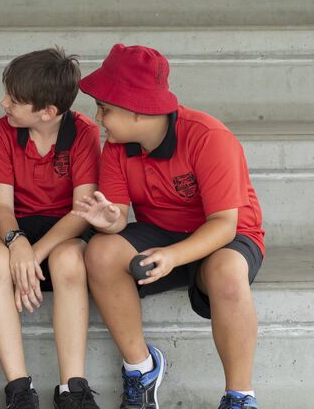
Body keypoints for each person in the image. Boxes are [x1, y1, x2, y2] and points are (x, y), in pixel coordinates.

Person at [72, 44, 265, 409]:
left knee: (226, 272)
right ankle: (141, 368)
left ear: (138, 112)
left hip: (225, 235)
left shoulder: (208, 136)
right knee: (99, 250)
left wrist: (174, 256)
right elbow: (118, 215)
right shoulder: (118, 145)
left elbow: (224, 225)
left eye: (106, 109)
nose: (98, 118)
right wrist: (109, 220)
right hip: (162, 233)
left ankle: (240, 396)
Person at [0, 48, 102, 409]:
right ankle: (19, 388)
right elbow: (1, 207)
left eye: (14, 100)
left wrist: (35, 254)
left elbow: (81, 212)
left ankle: (72, 388)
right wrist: (17, 244)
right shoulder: (3, 130)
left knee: (68, 263)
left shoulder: (83, 132)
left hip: (67, 229)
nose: (4, 103)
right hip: (19, 225)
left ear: (47, 111)